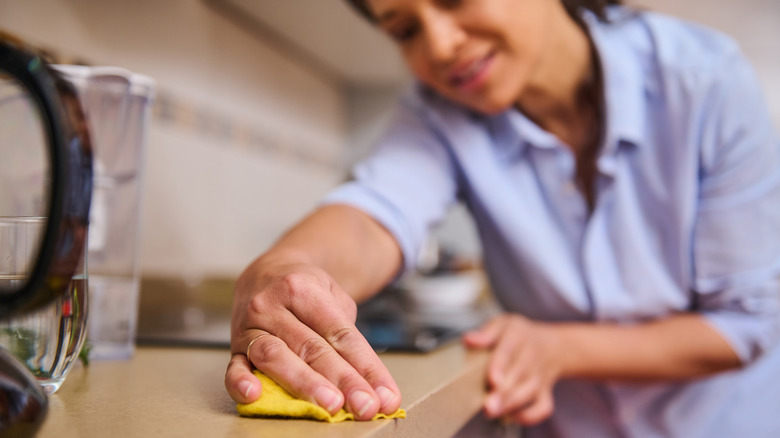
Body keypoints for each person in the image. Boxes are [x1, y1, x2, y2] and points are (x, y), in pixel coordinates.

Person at [225, 0, 780, 435]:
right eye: (404, 30)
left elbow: (745, 325)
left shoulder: (705, 80)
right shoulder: (436, 113)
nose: (440, 45)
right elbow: (374, 217)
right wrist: (287, 267)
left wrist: (560, 348)